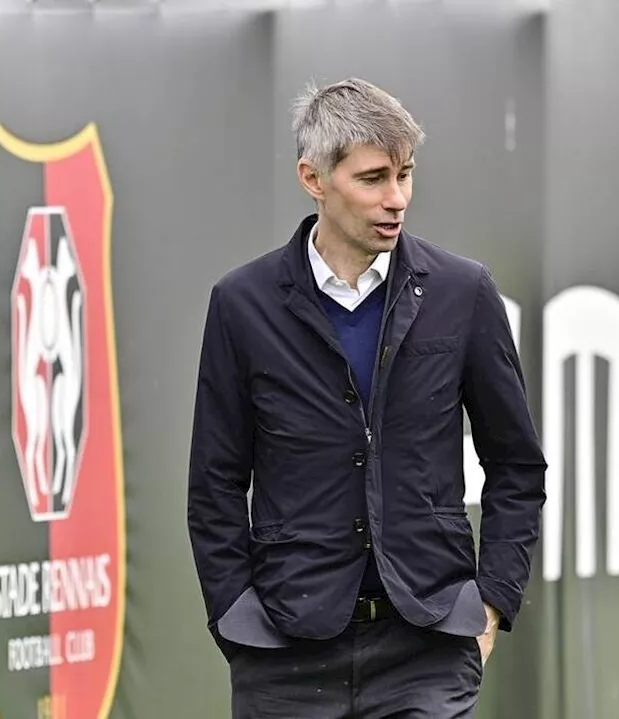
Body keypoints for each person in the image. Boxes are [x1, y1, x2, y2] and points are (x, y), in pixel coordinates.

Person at [187, 77, 547, 718]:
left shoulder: (463, 292)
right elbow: (214, 483)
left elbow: (517, 465)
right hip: (284, 650)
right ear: (313, 178)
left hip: (427, 648)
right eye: (374, 178)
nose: (397, 198)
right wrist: (234, 618)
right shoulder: (242, 304)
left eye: (405, 175)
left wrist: (490, 602)